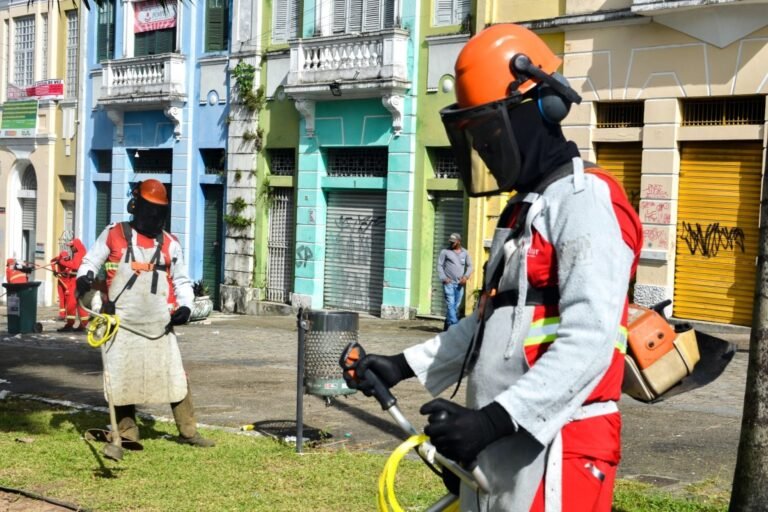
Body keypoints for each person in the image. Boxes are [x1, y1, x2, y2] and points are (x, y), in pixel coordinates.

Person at [345, 24, 642, 511]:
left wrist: (491, 420)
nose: (484, 147)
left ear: (546, 105)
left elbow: (591, 338)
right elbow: (492, 323)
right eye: (474, 133)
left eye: (490, 128)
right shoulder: (526, 207)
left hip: (561, 443)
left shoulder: (586, 202)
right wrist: (401, 366)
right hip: (507, 437)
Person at [76, 179, 214, 448]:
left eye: (158, 211)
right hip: (120, 324)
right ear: (135, 206)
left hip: (158, 324)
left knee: (175, 376)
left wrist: (186, 306)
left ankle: (189, 432)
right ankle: (127, 433)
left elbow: (182, 281)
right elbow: (90, 262)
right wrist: (86, 277)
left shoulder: (170, 244)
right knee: (121, 376)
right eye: (149, 209)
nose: (153, 217)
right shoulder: (113, 233)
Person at [437, 233, 472, 330]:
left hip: (459, 284)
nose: (451, 243)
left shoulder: (465, 253)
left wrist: (465, 277)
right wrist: (444, 278)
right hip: (448, 284)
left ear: (459, 242)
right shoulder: (445, 252)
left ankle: (447, 328)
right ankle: (456, 327)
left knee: (455, 306)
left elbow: (470, 266)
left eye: (453, 242)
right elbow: (439, 265)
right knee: (450, 304)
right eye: (450, 242)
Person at [54, 239, 89, 332]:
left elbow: (74, 266)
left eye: (71, 246)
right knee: (80, 303)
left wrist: (62, 262)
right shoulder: (83, 252)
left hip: (75, 281)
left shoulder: (78, 254)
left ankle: (70, 324)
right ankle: (83, 325)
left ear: (75, 246)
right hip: (80, 279)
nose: (70, 248)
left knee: (71, 303)